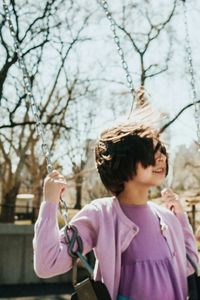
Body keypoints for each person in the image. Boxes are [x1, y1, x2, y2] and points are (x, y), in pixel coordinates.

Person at [33, 122, 199, 300]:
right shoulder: (101, 214)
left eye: (162, 151)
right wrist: (50, 202)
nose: (162, 158)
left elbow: (191, 265)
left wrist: (181, 217)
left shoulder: (167, 217)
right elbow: (47, 263)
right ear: (125, 161)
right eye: (151, 152)